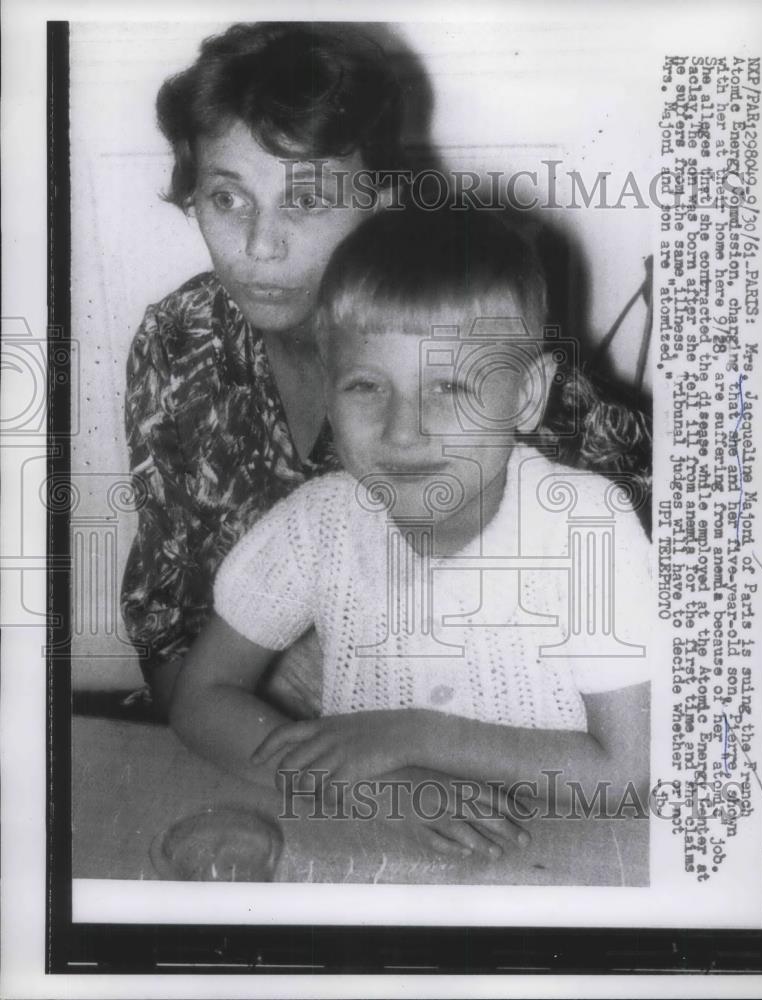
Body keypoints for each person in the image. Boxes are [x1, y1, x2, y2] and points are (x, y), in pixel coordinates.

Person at [170, 207, 652, 857]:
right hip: (373, 854)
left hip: (564, 869)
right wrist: (376, 790)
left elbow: (630, 773)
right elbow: (201, 698)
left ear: (528, 395)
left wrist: (418, 735)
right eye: (366, 385)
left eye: (450, 386)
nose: (403, 431)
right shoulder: (319, 524)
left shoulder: (587, 528)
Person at [120, 22, 417, 717]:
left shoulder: (458, 337)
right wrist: (244, 704)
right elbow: (163, 620)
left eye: (307, 201)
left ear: (380, 203)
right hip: (233, 739)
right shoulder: (178, 340)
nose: (259, 246)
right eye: (228, 198)